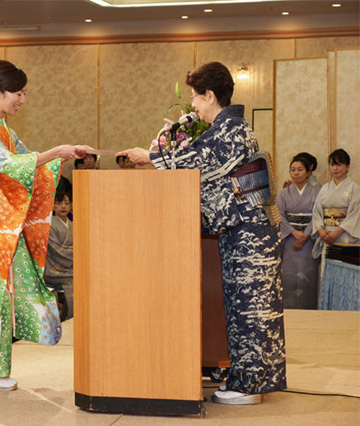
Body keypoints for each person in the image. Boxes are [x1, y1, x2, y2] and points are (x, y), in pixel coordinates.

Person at [118, 62, 286, 405]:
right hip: (240, 232)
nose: (193, 105)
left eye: (196, 97)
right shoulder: (226, 128)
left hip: (250, 234)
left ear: (210, 95)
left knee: (251, 309)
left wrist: (150, 157)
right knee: (240, 307)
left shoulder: (233, 130)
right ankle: (244, 379)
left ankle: (250, 385)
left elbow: (199, 160)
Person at [0, 57, 89, 391]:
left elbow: (31, 166)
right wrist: (54, 152)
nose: (22, 100)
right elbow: (4, 163)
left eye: (25, 93)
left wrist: (62, 154)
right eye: (18, 93)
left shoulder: (2, 128)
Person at [276, 156, 320, 309]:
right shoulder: (283, 193)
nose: (296, 173)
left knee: (307, 275)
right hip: (289, 240)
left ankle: (308, 308)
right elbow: (279, 215)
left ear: (308, 172)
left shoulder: (316, 192)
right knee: (288, 275)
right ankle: (287, 308)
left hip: (308, 240)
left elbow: (317, 215)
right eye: (293, 170)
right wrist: (295, 233)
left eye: (300, 169)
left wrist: (306, 234)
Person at [311, 149, 359, 260]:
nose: (335, 168)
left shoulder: (354, 188)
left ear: (347, 166)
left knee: (344, 269)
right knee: (326, 269)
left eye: (339, 165)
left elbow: (355, 214)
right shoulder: (325, 188)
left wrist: (337, 232)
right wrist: (320, 231)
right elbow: (317, 211)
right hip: (326, 235)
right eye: (332, 165)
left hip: (346, 235)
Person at [43, 192, 74, 321]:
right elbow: (57, 250)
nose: (63, 207)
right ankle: (69, 315)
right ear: (52, 206)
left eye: (67, 203)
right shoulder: (49, 225)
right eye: (59, 203)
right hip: (54, 268)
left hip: (70, 266)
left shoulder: (73, 225)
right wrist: (79, 253)